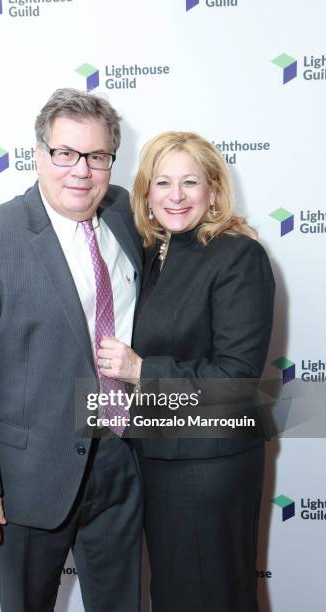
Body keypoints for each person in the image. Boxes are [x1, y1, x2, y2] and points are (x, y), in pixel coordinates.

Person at [0, 88, 144, 612]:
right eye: (65, 153)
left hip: (120, 462)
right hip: (27, 483)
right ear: (39, 154)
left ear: (110, 162)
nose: (81, 170)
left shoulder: (124, 216)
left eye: (96, 157)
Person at [97, 131, 275, 612]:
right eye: (163, 183)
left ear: (213, 190)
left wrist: (141, 369)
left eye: (190, 182)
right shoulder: (159, 252)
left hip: (207, 465)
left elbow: (236, 381)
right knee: (178, 594)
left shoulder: (238, 255)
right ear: (147, 194)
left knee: (206, 595)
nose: (175, 196)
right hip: (159, 459)